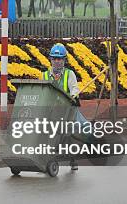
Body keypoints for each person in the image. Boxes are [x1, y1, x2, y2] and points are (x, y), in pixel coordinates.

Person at [42, 43, 83, 171]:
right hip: (50, 110)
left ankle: (72, 158)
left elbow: (74, 89)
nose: (57, 61)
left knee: (67, 134)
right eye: (54, 58)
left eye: (59, 59)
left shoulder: (69, 74)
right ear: (50, 59)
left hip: (66, 110)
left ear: (64, 60)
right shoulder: (44, 75)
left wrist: (74, 96)